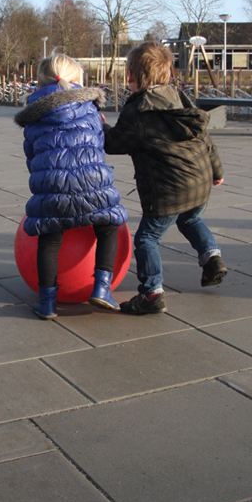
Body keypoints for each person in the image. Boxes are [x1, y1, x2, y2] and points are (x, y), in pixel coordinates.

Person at [103, 40, 226, 315]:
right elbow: (203, 135)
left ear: (132, 77)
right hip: (200, 181)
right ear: (168, 75)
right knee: (191, 217)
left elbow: (114, 143)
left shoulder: (138, 111)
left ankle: (151, 293)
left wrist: (102, 128)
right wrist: (216, 171)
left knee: (147, 238)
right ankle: (212, 257)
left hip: (168, 189)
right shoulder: (180, 97)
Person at [15, 50, 128, 320]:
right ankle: (101, 288)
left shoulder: (33, 118)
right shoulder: (90, 109)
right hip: (92, 183)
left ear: (42, 82)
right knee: (109, 225)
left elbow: (32, 158)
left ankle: (47, 303)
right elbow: (98, 147)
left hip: (52, 186)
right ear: (77, 80)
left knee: (49, 239)